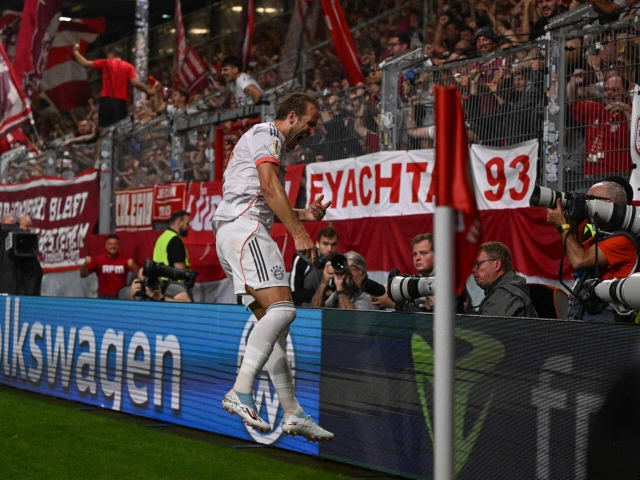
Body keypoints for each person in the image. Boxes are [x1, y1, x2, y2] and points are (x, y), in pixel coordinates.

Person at [211, 92, 333, 440]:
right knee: (283, 312)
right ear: (291, 117)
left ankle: (292, 412)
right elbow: (268, 186)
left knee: (275, 329)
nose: (311, 130)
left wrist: (304, 215)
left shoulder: (260, 139)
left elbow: (261, 195)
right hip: (244, 230)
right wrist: (299, 232)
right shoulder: (268, 135)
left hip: (235, 231)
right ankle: (240, 390)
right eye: (310, 122)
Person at [547, 181, 640, 322]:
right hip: (593, 313)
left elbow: (579, 260)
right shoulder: (603, 236)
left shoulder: (624, 240)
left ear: (609, 204)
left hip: (607, 317)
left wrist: (561, 225)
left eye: (590, 200)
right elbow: (576, 253)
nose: (585, 203)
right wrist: (572, 222)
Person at [73, 45, 154, 128]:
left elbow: (85, 63)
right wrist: (149, 90)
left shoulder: (106, 62)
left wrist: (76, 52)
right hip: (120, 102)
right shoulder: (129, 66)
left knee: (104, 129)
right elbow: (136, 83)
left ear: (110, 54)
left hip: (106, 100)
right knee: (120, 128)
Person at [472, 242, 538, 317]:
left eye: (478, 264)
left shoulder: (505, 295)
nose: (473, 270)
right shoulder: (506, 290)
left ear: (497, 265)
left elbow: (483, 327)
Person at [371, 233, 435, 311]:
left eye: (423, 253)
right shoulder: (416, 281)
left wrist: (394, 304)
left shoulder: (449, 283)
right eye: (414, 254)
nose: (417, 258)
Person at [289, 227, 339, 307]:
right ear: (317, 244)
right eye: (325, 244)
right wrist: (325, 293)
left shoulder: (339, 260)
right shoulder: (302, 258)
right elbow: (293, 293)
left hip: (332, 310)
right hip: (306, 311)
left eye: (333, 244)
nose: (329, 249)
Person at [311, 251, 376, 310]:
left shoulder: (368, 294)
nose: (347, 272)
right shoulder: (339, 293)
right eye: (345, 267)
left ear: (363, 274)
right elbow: (315, 313)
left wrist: (340, 288)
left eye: (352, 268)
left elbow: (353, 319)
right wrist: (324, 282)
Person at [81, 235, 137, 299]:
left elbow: (138, 274)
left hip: (120, 295)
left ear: (118, 246)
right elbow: (83, 275)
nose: (113, 246)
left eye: (115, 244)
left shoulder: (125, 260)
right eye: (110, 244)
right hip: (103, 296)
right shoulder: (98, 260)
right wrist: (85, 264)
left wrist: (134, 266)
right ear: (106, 246)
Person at [121, 268, 191, 302]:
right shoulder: (138, 290)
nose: (149, 283)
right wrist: (131, 297)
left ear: (159, 278)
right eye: (145, 280)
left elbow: (188, 305)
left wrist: (161, 298)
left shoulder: (170, 287)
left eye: (151, 278)